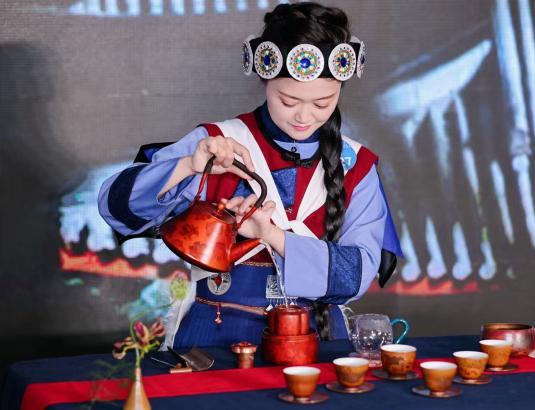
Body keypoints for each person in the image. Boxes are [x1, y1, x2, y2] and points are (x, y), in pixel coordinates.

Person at [98, 2, 402, 349]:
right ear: (265, 80)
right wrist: (187, 166)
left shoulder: (357, 165)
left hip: (318, 340)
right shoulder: (216, 143)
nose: (304, 117)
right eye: (288, 100)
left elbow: (356, 275)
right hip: (215, 336)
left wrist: (272, 235)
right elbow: (115, 208)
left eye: (322, 103)